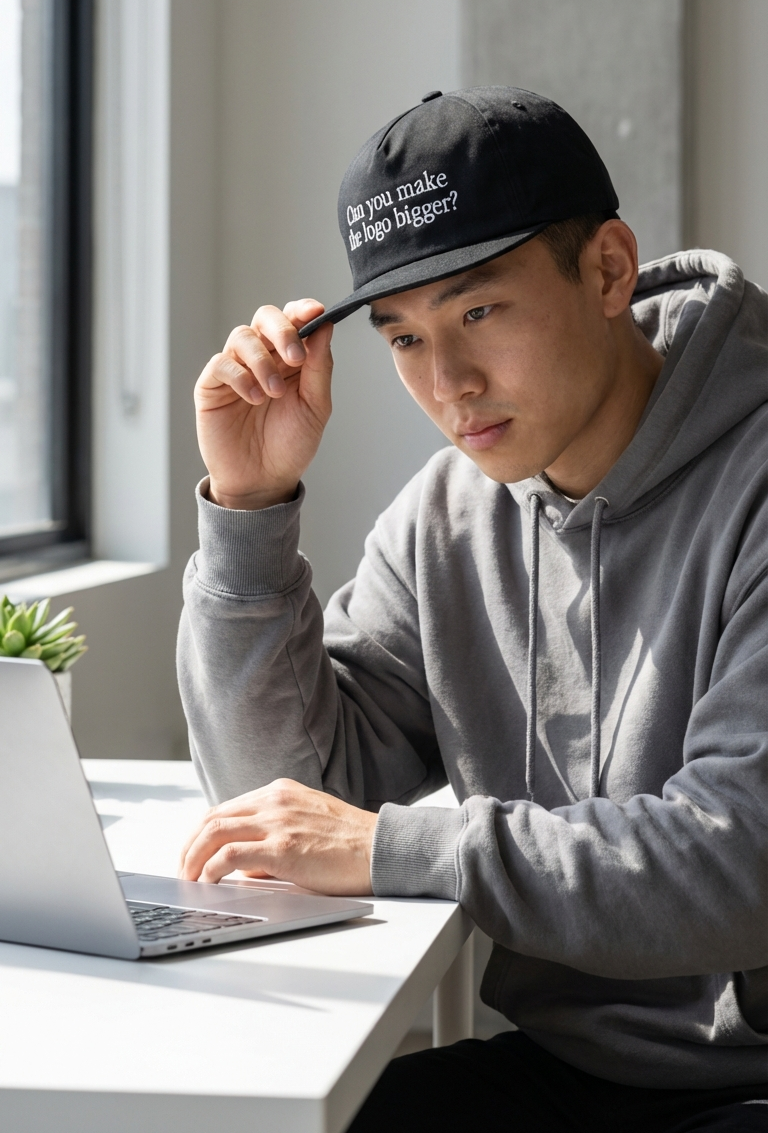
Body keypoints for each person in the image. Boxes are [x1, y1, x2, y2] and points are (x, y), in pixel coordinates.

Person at [176, 88, 767, 1131]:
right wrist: (249, 510)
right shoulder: (448, 517)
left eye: (478, 311)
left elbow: (740, 862)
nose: (448, 383)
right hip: (565, 1077)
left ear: (607, 270)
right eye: (404, 339)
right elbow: (286, 803)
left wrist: (398, 848)